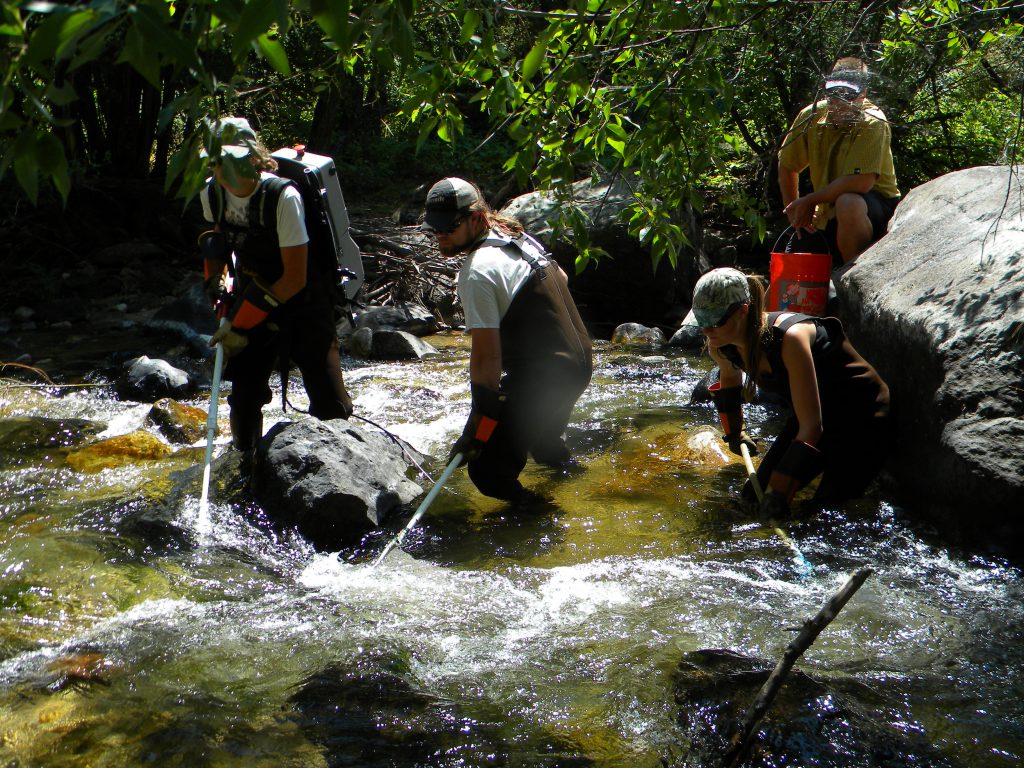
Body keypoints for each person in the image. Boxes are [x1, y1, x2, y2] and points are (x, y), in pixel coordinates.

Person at [420, 177, 593, 501]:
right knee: (543, 444)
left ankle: (545, 524)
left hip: (546, 376)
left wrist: (477, 427)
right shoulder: (515, 236)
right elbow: (563, 279)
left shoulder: (477, 271)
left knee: (487, 472)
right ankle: (587, 489)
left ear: (477, 218)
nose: (440, 236)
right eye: (434, 229)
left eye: (449, 227)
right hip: (580, 363)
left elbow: (487, 360)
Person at [198, 116, 353, 452]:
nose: (222, 170)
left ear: (254, 158)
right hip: (253, 293)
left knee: (331, 405)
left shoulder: (284, 197)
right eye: (215, 161)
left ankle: (346, 467)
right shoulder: (211, 194)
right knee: (243, 398)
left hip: (305, 301)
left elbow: (294, 278)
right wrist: (219, 294)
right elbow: (217, 252)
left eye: (230, 160)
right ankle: (245, 464)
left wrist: (238, 325)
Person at [693, 267, 890, 517]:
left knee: (823, 513)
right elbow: (730, 380)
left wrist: (781, 490)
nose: (708, 331)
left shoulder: (790, 338)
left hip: (860, 417)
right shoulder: (721, 345)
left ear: (742, 311)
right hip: (812, 418)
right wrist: (735, 433)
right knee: (752, 499)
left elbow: (812, 426)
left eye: (716, 321)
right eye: (702, 321)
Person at [778, 57, 901, 266]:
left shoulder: (873, 121)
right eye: (834, 93)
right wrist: (795, 214)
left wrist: (809, 201)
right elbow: (787, 164)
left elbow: (861, 182)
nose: (839, 103)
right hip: (827, 211)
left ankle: (850, 282)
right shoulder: (812, 115)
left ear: (863, 94)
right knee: (788, 277)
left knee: (848, 202)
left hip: (871, 207)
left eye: (848, 95)